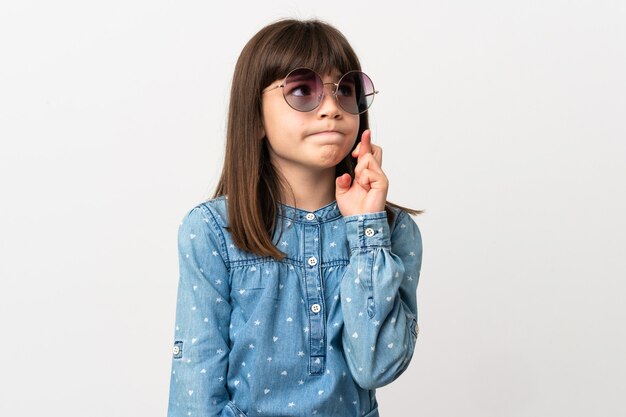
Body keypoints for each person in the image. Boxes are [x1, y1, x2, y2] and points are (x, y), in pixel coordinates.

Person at [167, 18, 423, 417]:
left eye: (346, 91)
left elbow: (377, 366)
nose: (331, 109)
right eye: (303, 91)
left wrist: (365, 230)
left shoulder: (390, 230)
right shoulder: (213, 232)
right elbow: (196, 385)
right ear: (255, 117)